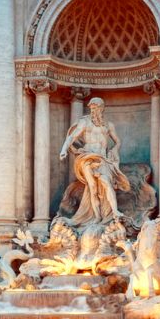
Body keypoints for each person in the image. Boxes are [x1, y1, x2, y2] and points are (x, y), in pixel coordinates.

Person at [58, 97, 128, 226]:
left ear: (102, 108)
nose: (93, 110)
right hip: (87, 157)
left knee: (107, 183)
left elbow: (117, 141)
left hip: (102, 158)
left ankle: (115, 211)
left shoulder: (108, 125)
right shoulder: (85, 122)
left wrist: (115, 149)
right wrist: (64, 150)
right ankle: (96, 216)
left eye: (95, 107)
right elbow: (72, 136)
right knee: (93, 188)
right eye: (91, 107)